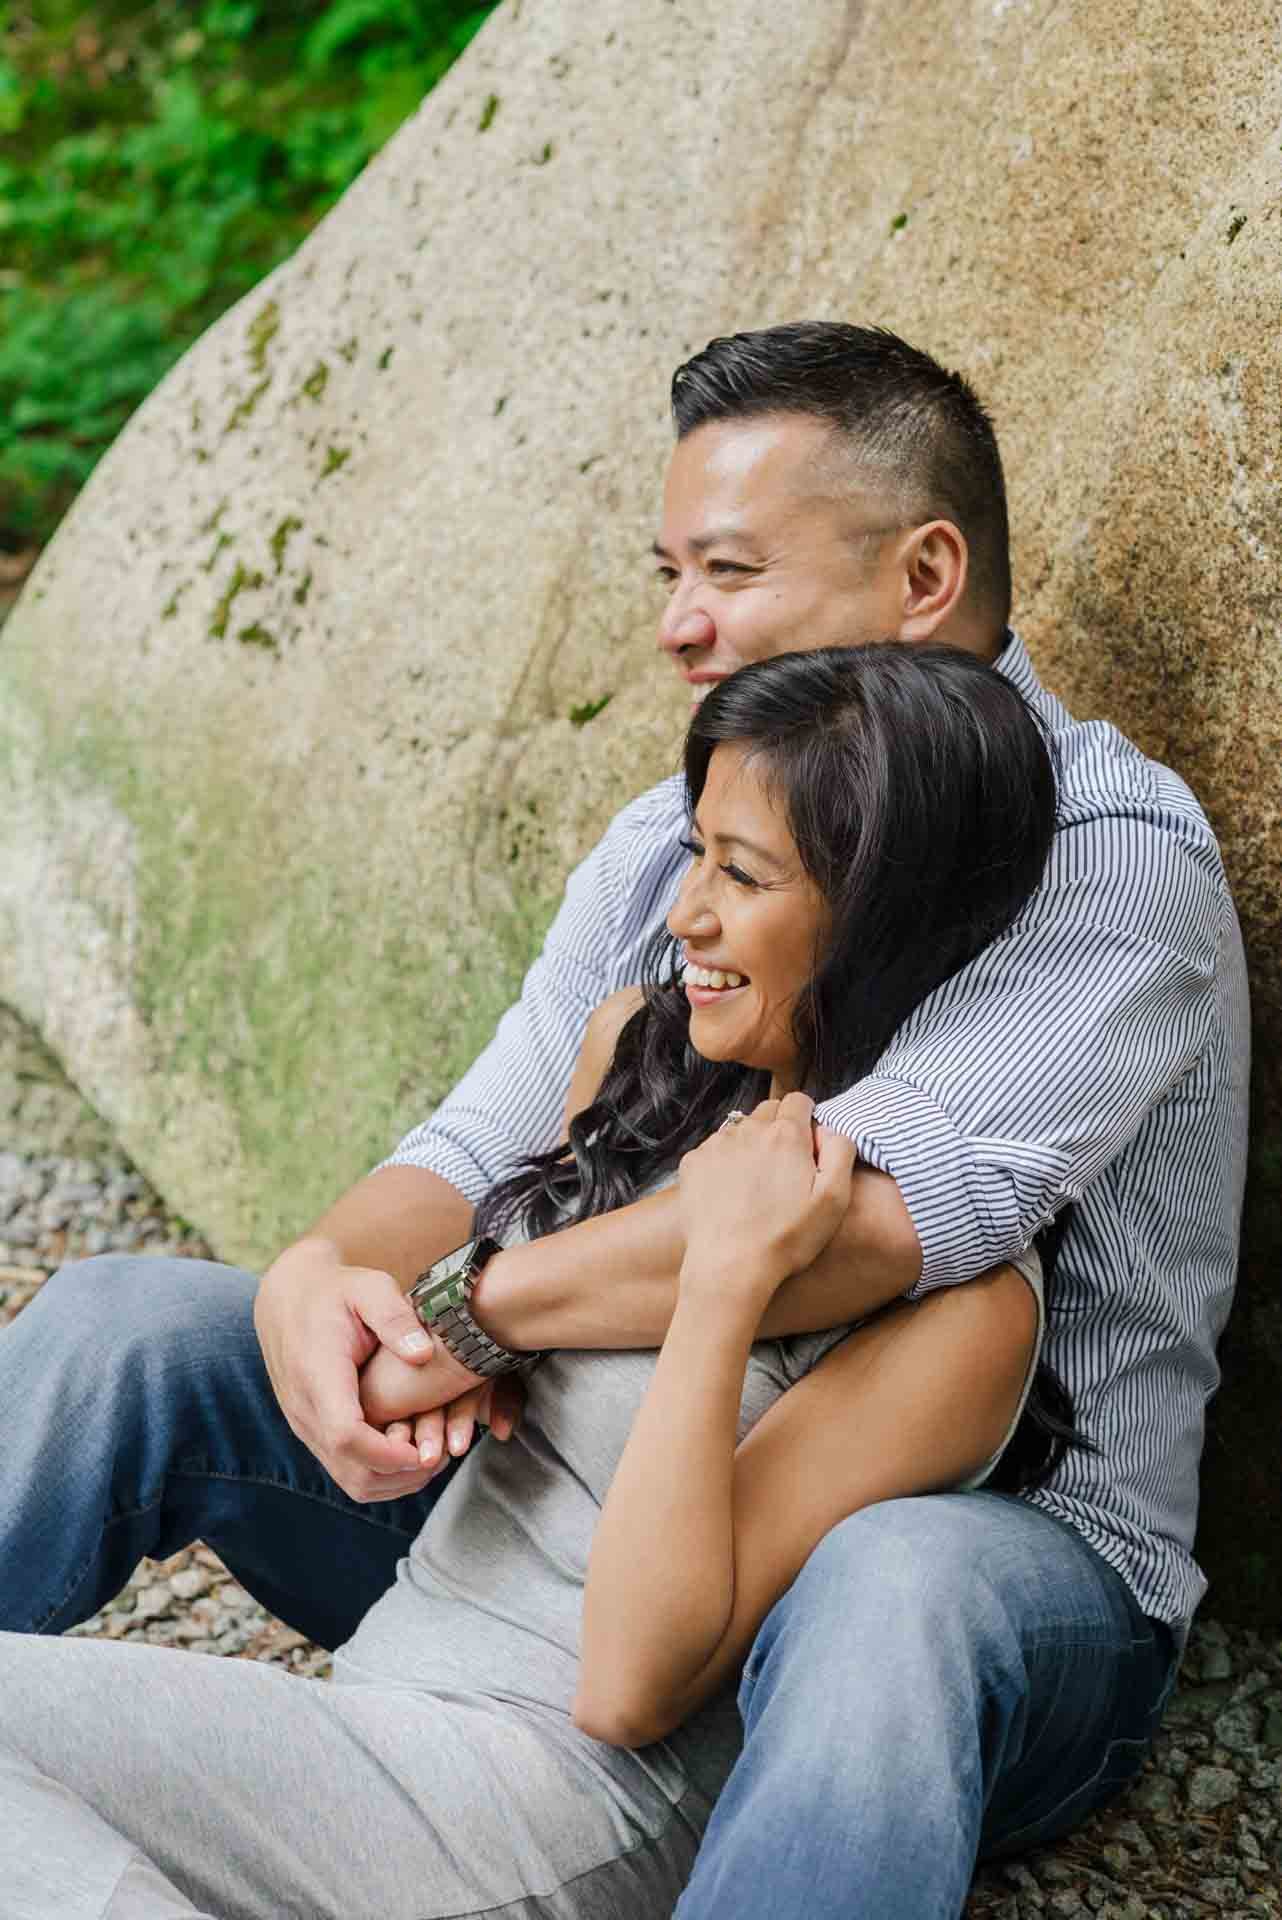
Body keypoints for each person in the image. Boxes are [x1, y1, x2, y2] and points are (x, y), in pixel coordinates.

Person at [0, 324, 1247, 1917]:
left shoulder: (1104, 849)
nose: (676, 626)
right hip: (551, 1544)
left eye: (725, 571)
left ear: (924, 574)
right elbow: (472, 1153)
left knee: (893, 1580)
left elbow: (844, 1231)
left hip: (967, 1563)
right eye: (668, 570)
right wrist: (327, 1278)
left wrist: (479, 1307)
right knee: (136, 1325)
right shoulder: (679, 826)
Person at [0, 645, 1059, 1917]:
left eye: (743, 873)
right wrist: (460, 1337)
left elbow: (628, 1686)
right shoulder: (643, 1059)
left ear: (881, 911)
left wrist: (720, 1295)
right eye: (694, 852)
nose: (686, 913)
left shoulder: (966, 1313)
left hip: (546, 1806)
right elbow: (412, 1365)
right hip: (380, 1713)